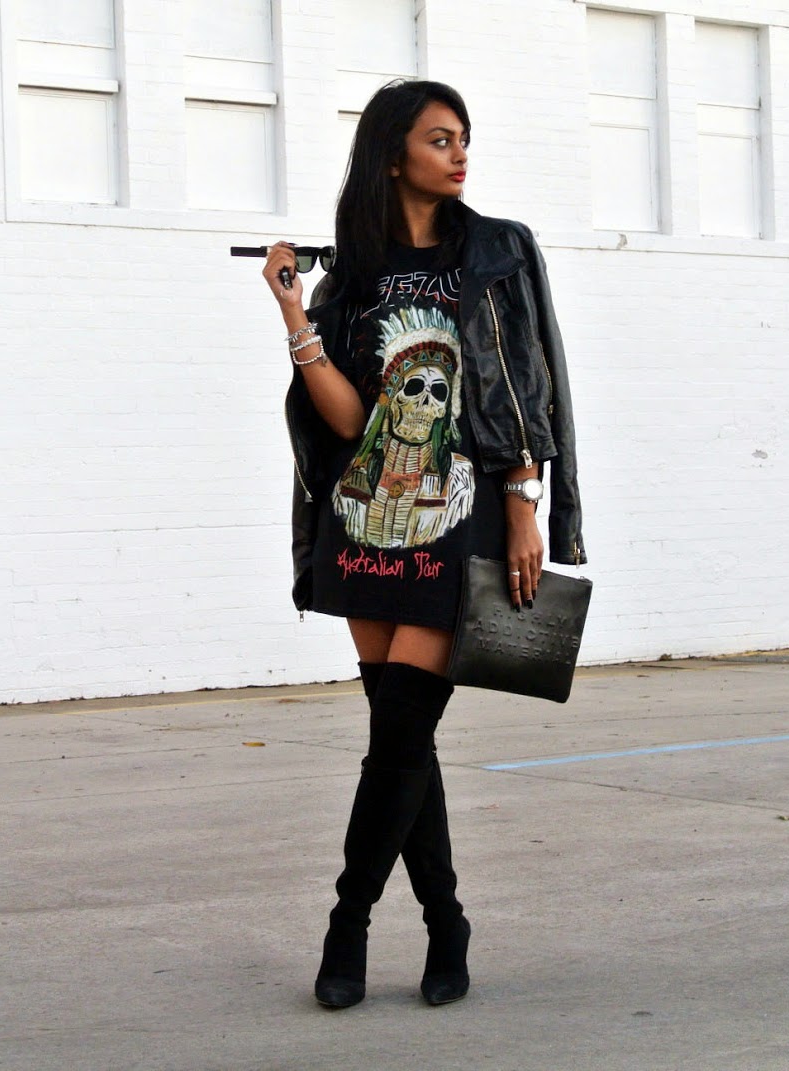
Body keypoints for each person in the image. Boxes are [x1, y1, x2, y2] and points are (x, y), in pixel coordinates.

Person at [261, 79, 586, 1010]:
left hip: (461, 515)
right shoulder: (356, 273)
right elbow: (349, 419)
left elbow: (526, 383)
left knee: (400, 728)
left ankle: (348, 924)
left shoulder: (496, 250)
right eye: (441, 139)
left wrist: (524, 503)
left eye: (463, 138)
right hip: (367, 518)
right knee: (401, 740)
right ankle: (446, 921)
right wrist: (294, 314)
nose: (460, 154)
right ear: (393, 154)